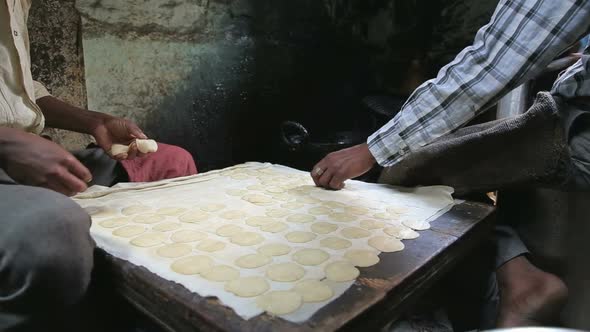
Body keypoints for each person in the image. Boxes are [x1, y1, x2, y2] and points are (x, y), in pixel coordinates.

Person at [311, 0, 590, 327]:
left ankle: (513, 286)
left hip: (578, 130)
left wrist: (373, 149)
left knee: (405, 170)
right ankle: (513, 272)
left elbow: (491, 64)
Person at [0, 0, 196, 330]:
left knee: (172, 162)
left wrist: (97, 122)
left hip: (26, 155)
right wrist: (6, 145)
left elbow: (24, 94)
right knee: (53, 229)